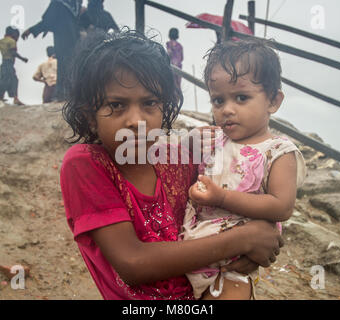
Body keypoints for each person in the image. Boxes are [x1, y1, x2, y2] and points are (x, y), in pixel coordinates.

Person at [60, 30, 284, 300]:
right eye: (116, 105)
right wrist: (244, 240)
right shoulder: (87, 164)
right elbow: (132, 262)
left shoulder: (179, 159)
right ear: (90, 116)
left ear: (164, 106)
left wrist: (258, 243)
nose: (136, 120)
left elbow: (244, 201)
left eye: (149, 103)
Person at [180, 38, 307, 300]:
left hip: (232, 267)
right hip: (190, 251)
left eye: (241, 97)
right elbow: (179, 169)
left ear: (273, 101)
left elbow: (282, 207)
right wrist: (187, 146)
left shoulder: (278, 152)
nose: (227, 109)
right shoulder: (211, 140)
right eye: (217, 100)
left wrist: (222, 198)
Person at [22, 0, 82, 101]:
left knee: (64, 67)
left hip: (63, 41)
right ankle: (74, 95)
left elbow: (48, 21)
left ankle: (63, 95)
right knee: (73, 68)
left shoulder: (58, 2)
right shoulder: (75, 4)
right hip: (75, 41)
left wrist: (31, 30)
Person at [0, 27, 28, 105]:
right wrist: (23, 58)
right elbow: (13, 53)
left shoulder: (1, 41)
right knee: (5, 81)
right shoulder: (12, 41)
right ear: (14, 34)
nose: (17, 38)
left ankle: (14, 98)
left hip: (4, 63)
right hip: (9, 63)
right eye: (17, 36)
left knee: (11, 80)